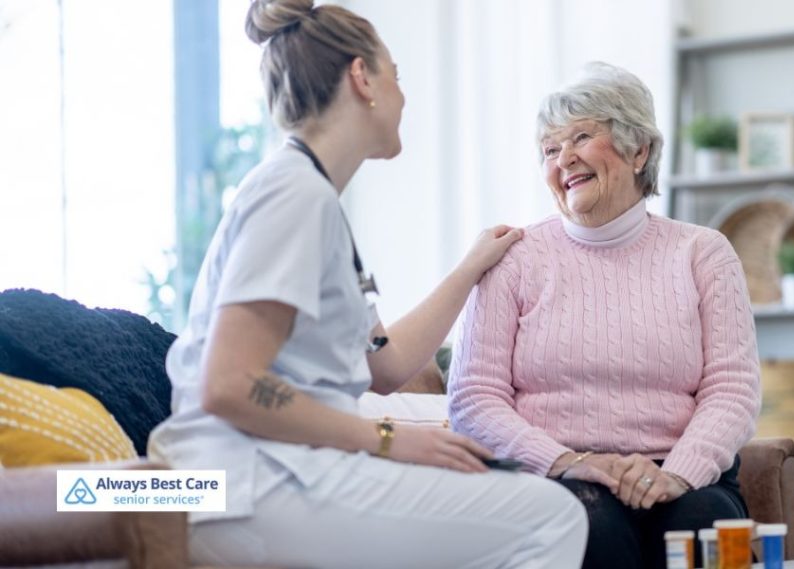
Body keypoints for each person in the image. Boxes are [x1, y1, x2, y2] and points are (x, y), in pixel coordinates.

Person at [147, 2, 587, 567]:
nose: (403, 97)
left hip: (262, 474)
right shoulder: (295, 196)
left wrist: (470, 268)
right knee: (551, 516)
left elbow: (386, 365)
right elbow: (230, 384)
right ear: (362, 78)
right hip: (239, 482)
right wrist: (389, 440)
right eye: (396, 77)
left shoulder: (309, 196)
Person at [447, 62, 761, 569]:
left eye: (581, 138)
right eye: (550, 149)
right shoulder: (514, 258)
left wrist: (676, 474)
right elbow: (472, 398)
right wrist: (569, 462)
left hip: (680, 472)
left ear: (640, 150)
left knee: (697, 520)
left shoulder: (703, 252)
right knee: (587, 520)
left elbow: (733, 388)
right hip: (554, 471)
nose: (563, 160)